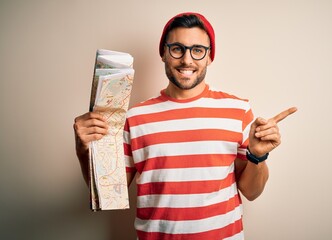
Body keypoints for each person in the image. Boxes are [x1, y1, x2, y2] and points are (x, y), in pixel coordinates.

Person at [73, 12, 297, 240]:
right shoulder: (135, 117)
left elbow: (251, 192)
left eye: (198, 50)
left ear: (209, 57)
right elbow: (110, 193)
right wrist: (83, 151)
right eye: (177, 48)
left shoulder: (237, 110)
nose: (187, 60)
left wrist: (257, 157)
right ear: (163, 53)